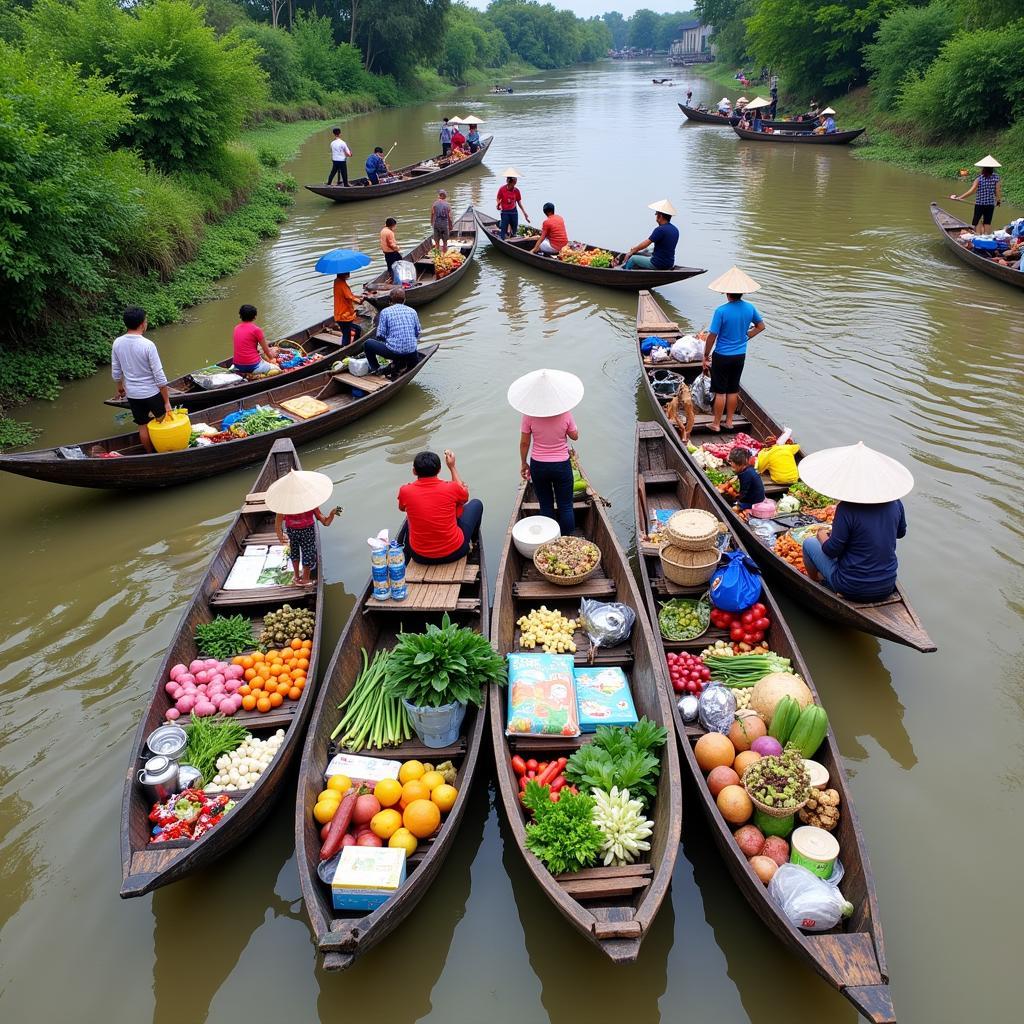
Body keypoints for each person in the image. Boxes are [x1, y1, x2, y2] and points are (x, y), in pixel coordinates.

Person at [798, 442, 913, 602]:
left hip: (850, 586)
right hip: (887, 584)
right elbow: (901, 533)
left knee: (809, 544)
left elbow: (832, 551)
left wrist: (821, 535)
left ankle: (818, 582)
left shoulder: (847, 509)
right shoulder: (895, 503)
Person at [508, 368, 584, 536]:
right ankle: (567, 538)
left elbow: (524, 443)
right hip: (561, 466)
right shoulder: (565, 413)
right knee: (565, 506)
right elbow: (575, 436)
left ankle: (549, 539)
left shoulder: (528, 415)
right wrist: (570, 428)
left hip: (539, 466)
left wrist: (523, 463)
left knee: (546, 505)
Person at [702, 266, 766, 432]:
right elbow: (760, 326)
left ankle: (716, 424)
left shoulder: (721, 311)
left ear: (727, 293)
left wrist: (705, 355)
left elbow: (712, 336)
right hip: (739, 355)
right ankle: (729, 422)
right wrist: (746, 336)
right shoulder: (750, 308)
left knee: (720, 391)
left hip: (722, 355)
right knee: (733, 388)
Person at [399, 449, 483, 565]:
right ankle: (473, 543)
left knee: (409, 521)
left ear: (414, 471)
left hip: (419, 557)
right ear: (439, 470)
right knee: (476, 504)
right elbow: (464, 497)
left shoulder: (405, 491)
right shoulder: (451, 488)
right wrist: (452, 467)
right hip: (455, 552)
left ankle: (405, 555)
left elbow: (402, 508)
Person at [111, 306, 173, 454]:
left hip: (133, 394)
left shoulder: (117, 343)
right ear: (141, 324)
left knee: (142, 425)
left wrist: (120, 388)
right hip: (151, 393)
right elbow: (159, 377)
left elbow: (116, 371)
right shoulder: (147, 345)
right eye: (146, 321)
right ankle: (162, 452)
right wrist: (166, 402)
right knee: (161, 423)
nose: (146, 323)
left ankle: (150, 453)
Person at [268, 469, 341, 587]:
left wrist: (281, 537)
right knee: (308, 553)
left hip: (292, 531)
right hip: (307, 531)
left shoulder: (284, 505)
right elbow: (326, 522)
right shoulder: (310, 503)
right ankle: (305, 580)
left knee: (295, 551)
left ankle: (297, 578)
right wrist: (332, 514)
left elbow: (277, 524)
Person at [364, 288, 421, 373]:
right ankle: (399, 363)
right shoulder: (413, 311)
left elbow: (380, 335)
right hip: (412, 353)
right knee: (399, 343)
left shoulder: (385, 312)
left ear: (390, 301)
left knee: (368, 344)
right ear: (404, 300)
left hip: (394, 353)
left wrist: (388, 340)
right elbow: (418, 332)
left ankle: (375, 368)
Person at [620, 199, 679, 270]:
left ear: (660, 216)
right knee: (647, 251)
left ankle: (624, 273)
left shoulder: (660, 230)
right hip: (669, 263)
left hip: (658, 264)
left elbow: (646, 243)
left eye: (656, 214)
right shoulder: (675, 229)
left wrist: (632, 251)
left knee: (633, 258)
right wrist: (637, 250)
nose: (655, 216)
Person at [953, 155, 1002, 233]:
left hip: (980, 204)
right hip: (990, 204)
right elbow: (997, 191)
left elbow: (972, 191)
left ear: (983, 168)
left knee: (977, 221)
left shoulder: (979, 178)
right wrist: (998, 201)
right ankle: (987, 237)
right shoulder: (996, 177)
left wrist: (960, 197)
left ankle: (978, 236)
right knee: (987, 222)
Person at [232, 304, 279, 374]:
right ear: (254, 317)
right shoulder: (256, 330)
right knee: (277, 368)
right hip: (252, 366)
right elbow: (266, 351)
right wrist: (272, 359)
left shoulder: (236, 328)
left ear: (240, 316)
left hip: (238, 365)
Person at [727, 447, 765, 511]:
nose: (732, 466)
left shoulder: (746, 475)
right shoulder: (748, 469)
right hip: (756, 498)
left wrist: (737, 501)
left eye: (732, 463)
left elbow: (743, 494)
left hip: (754, 503)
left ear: (739, 464)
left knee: (734, 509)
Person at [497, 169, 529, 238]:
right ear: (510, 182)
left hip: (513, 212)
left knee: (514, 229)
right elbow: (498, 198)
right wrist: (498, 204)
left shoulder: (516, 191)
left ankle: (512, 238)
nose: (515, 182)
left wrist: (524, 213)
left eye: (516, 181)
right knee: (503, 229)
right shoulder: (502, 189)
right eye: (514, 181)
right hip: (505, 212)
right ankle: (502, 239)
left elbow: (519, 202)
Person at [333, 273, 362, 346]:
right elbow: (350, 297)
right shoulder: (341, 284)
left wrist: (359, 296)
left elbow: (349, 295)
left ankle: (349, 347)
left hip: (339, 314)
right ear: (343, 274)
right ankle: (351, 347)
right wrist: (360, 301)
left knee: (347, 333)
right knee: (352, 332)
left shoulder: (337, 281)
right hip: (343, 316)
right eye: (347, 273)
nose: (349, 274)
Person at [431, 189, 452, 254]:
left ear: (439, 196)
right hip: (444, 225)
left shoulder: (434, 204)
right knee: (445, 243)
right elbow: (449, 217)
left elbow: (432, 214)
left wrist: (432, 223)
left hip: (436, 224)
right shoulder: (447, 205)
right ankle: (444, 256)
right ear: (444, 196)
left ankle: (437, 257)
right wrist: (450, 225)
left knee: (437, 243)